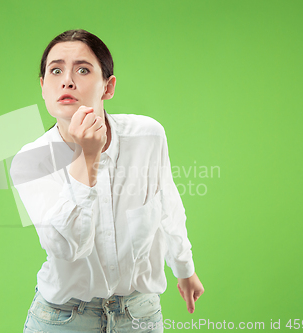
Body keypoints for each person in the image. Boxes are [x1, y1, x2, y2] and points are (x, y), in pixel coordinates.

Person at [10, 29, 204, 333]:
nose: (67, 81)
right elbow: (67, 247)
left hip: (139, 313)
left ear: (108, 87)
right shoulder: (31, 161)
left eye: (83, 69)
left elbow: (167, 202)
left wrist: (183, 267)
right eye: (56, 70)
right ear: (43, 87)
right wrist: (87, 158)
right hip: (64, 318)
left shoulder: (147, 135)